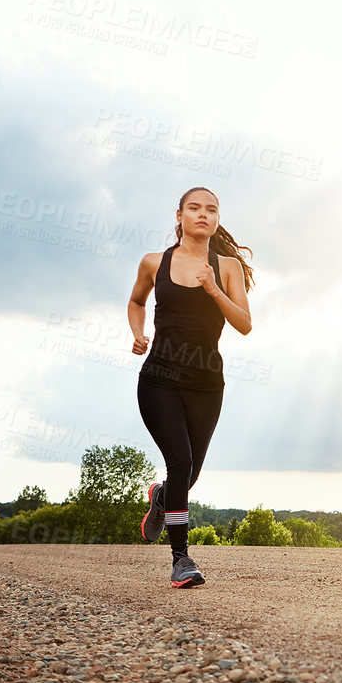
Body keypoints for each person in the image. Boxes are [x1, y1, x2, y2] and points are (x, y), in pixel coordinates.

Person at [127, 186, 254, 587]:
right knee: (180, 462)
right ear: (179, 215)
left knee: (190, 473)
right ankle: (181, 559)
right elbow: (136, 302)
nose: (203, 214)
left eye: (211, 209)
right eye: (194, 208)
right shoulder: (153, 262)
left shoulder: (228, 266)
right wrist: (138, 333)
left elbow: (245, 324)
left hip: (206, 382)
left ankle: (163, 497)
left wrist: (214, 288)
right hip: (159, 379)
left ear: (217, 219)